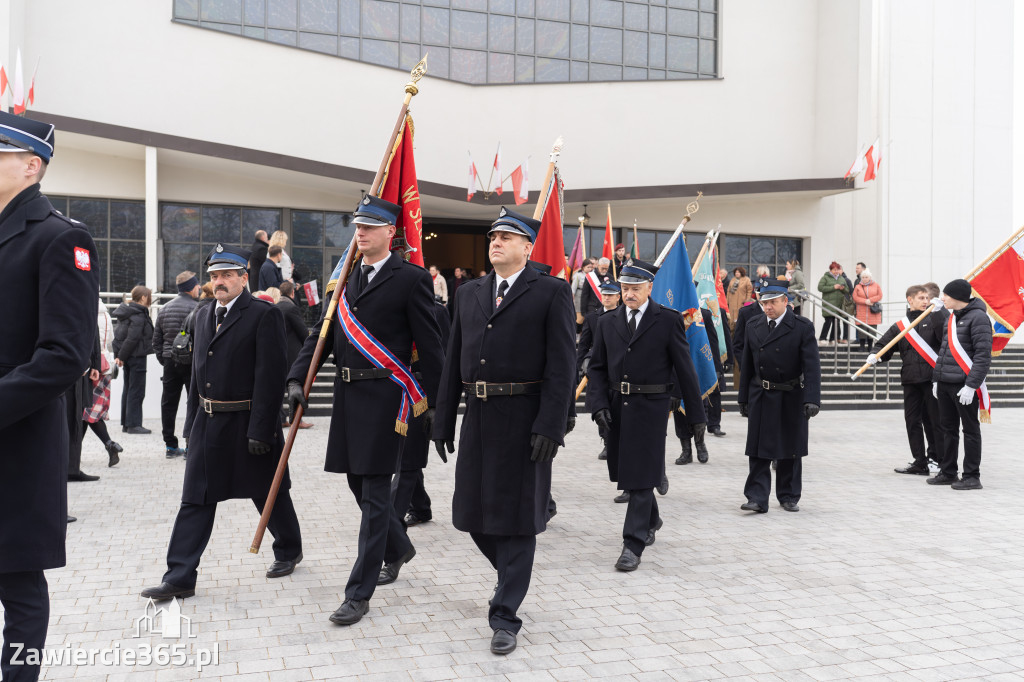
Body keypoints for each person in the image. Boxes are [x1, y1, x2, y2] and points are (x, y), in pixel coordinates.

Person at [286, 195, 443, 626]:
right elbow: (321, 334)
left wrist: (435, 405)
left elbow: (430, 345)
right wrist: (299, 378)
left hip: (388, 398)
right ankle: (398, 545)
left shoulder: (410, 279)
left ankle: (358, 593)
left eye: (370, 227)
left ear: (390, 233)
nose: (361, 233)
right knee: (357, 485)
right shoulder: (345, 278)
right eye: (358, 226)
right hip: (348, 399)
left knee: (375, 494)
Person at [433, 206, 575, 655]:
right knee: (471, 513)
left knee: (517, 521)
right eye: (493, 236)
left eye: (507, 237)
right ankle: (512, 572)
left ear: (527, 247)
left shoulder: (551, 292)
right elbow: (453, 355)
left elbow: (563, 366)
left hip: (524, 418)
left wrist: (551, 424)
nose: (495, 242)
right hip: (478, 415)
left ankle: (505, 614)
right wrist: (441, 419)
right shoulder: (468, 292)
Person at [141, 243, 302, 602]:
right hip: (208, 423)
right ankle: (180, 576)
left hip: (248, 422)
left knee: (267, 491)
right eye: (214, 277)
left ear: (244, 278)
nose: (220, 282)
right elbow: (199, 376)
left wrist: (262, 428)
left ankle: (289, 549)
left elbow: (270, 376)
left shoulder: (263, 314)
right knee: (195, 498)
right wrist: (191, 425)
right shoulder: (201, 316)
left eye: (227, 275)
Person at [0, 110, 100, 682]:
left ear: (30, 165)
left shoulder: (61, 238)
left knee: (17, 582)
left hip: (16, 439)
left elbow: (64, 355)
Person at [587, 259, 705, 571]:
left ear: (649, 288)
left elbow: (684, 368)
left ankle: (632, 543)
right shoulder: (606, 322)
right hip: (615, 407)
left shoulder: (666, 320)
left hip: (652, 409)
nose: (628, 294)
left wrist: (696, 416)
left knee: (639, 477)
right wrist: (597, 405)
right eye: (625, 288)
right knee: (627, 471)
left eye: (635, 288)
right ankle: (652, 518)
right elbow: (597, 368)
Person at [738, 279, 821, 513]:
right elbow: (748, 364)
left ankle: (789, 495)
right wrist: (743, 397)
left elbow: (812, 366)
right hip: (761, 393)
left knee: (790, 447)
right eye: (764, 302)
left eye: (773, 302)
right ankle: (756, 497)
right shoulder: (753, 325)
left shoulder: (802, 327)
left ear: (786, 301)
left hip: (791, 394)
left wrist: (812, 398)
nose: (768, 307)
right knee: (757, 447)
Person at [866, 285, 947, 475]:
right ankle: (920, 461)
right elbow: (883, 346)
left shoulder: (933, 319)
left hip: (931, 380)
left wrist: (939, 314)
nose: (926, 301)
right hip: (910, 380)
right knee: (912, 421)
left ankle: (939, 459)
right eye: (921, 298)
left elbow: (945, 338)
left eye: (927, 298)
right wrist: (875, 355)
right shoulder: (900, 326)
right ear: (910, 300)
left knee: (934, 421)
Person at [927, 279, 992, 490]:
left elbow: (983, 356)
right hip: (945, 382)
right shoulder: (952, 318)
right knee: (948, 429)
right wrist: (937, 379)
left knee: (970, 430)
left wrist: (972, 385)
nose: (942, 298)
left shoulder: (979, 318)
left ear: (956, 297)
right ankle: (948, 472)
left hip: (964, 386)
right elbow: (943, 351)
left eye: (945, 295)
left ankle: (972, 476)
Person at [394, 297, 451, 528]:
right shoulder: (392, 306)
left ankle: (392, 517)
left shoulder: (436, 311)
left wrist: (440, 402)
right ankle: (420, 507)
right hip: (395, 387)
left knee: (408, 456)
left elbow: (443, 355)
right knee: (405, 453)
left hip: (421, 391)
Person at [152, 271, 200, 458]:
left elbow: (156, 340)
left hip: (170, 362)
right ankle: (190, 445)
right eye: (197, 286)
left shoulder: (165, 308)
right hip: (190, 362)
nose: (199, 289)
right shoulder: (196, 309)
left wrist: (164, 359)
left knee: (168, 403)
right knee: (193, 403)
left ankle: (170, 446)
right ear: (191, 287)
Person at [576, 281, 621, 460]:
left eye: (610, 295)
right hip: (598, 369)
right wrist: (582, 365)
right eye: (604, 295)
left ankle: (617, 441)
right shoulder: (593, 318)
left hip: (618, 370)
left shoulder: (624, 316)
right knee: (600, 406)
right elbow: (584, 345)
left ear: (618, 297)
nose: (606, 298)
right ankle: (606, 442)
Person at [84, 298, 123, 467]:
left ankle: (108, 443)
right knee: (91, 412)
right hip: (105, 365)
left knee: (86, 412)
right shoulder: (106, 314)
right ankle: (108, 444)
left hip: (90, 366)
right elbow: (109, 340)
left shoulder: (86, 312)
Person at [112, 285, 155, 434]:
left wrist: (120, 355)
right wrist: (120, 357)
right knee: (136, 390)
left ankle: (126, 423)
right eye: (149, 296)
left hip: (129, 356)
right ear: (143, 298)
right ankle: (134, 425)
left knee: (129, 388)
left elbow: (119, 335)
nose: (150, 299)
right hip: (137, 356)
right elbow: (132, 338)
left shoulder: (129, 312)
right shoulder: (138, 315)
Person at [276, 282, 312, 430]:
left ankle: (282, 417)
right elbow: (302, 331)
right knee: (296, 387)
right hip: (293, 354)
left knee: (278, 389)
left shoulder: (275, 307)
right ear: (292, 293)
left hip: (278, 353)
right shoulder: (291, 308)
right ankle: (297, 420)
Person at [817, 262, 849, 344]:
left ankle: (832, 339)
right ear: (830, 270)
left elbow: (847, 290)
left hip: (838, 304)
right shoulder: (825, 277)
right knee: (828, 321)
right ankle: (822, 338)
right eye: (834, 270)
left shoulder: (841, 278)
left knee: (836, 322)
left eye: (837, 269)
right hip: (828, 304)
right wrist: (833, 287)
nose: (836, 271)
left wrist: (842, 288)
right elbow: (820, 288)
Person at [852, 268, 883, 350]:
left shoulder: (876, 285)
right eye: (863, 277)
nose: (864, 279)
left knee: (872, 330)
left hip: (872, 312)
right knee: (862, 330)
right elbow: (855, 297)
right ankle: (861, 347)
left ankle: (870, 347)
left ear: (870, 277)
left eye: (866, 277)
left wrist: (871, 300)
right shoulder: (858, 286)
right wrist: (865, 301)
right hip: (861, 311)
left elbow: (880, 295)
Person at [570, 258, 594, 326]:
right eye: (588, 267)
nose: (590, 269)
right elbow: (573, 288)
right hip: (579, 296)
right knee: (579, 316)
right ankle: (577, 332)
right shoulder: (578, 275)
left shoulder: (592, 276)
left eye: (591, 267)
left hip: (588, 297)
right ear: (583, 267)